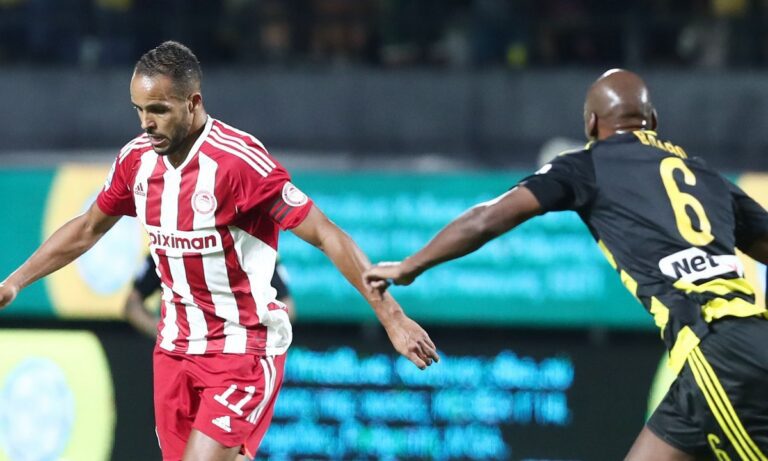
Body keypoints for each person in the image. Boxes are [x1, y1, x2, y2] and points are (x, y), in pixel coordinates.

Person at [0, 41, 439, 461]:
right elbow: (87, 228)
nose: (146, 123)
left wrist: (391, 317)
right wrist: (15, 283)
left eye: (158, 110)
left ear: (193, 103)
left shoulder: (238, 163)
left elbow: (326, 234)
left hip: (243, 351)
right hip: (174, 351)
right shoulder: (136, 161)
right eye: (139, 110)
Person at [364, 69, 768, 460]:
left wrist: (410, 265)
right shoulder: (706, 176)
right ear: (654, 121)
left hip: (716, 349)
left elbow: (486, 219)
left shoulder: (589, 165)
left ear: (591, 124)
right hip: (731, 347)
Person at [125, 254, 296, 338]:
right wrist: (167, 333)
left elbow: (287, 306)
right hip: (181, 356)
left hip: (236, 356)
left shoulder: (253, 248)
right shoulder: (167, 246)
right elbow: (132, 304)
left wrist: (252, 338)